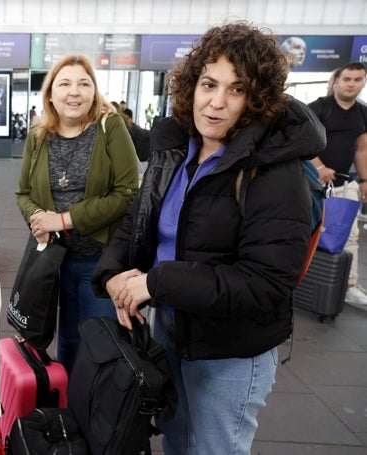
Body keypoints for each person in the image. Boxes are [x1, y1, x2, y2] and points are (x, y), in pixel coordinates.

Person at [92, 22, 325, 454]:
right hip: (171, 328)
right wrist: (111, 274)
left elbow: (266, 284)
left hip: (232, 350)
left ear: (256, 101)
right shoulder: (177, 149)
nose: (216, 103)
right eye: (208, 84)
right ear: (191, 86)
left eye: (236, 90)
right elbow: (137, 224)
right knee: (177, 444)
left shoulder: (277, 172)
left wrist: (155, 283)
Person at [16, 54, 139, 373]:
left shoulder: (109, 126)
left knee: (102, 342)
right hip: (53, 260)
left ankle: (99, 413)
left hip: (98, 261)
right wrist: (37, 219)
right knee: (66, 339)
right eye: (65, 83)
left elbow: (127, 193)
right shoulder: (38, 136)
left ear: (94, 92)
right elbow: (24, 193)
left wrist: (64, 219)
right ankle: (70, 411)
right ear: (51, 94)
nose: (75, 92)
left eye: (84, 84)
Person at [309, 61, 367, 310]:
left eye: (358, 79)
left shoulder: (363, 113)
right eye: (347, 79)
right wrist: (320, 167)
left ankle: (350, 286)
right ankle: (300, 282)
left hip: (345, 184)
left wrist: (364, 180)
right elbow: (302, 140)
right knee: (310, 231)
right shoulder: (319, 108)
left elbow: (362, 149)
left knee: (351, 236)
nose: (352, 84)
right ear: (336, 81)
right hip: (314, 183)